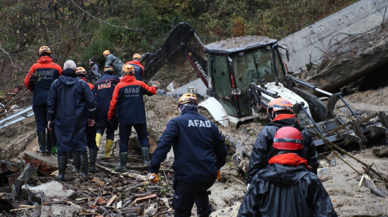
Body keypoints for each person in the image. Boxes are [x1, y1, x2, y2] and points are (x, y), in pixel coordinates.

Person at [148, 93, 228, 217]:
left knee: (182, 211)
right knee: (200, 191)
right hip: (208, 177)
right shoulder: (210, 125)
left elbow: (163, 145)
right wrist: (218, 166)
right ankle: (204, 212)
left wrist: (153, 169)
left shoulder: (176, 123)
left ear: (180, 108)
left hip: (187, 179)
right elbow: (222, 151)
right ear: (196, 107)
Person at [238, 126, 337, 216]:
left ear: (275, 148)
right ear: (301, 149)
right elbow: (326, 214)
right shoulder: (310, 180)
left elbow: (245, 214)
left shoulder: (260, 180)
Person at [246, 98, 319, 187]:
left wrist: (251, 180)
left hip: (271, 183)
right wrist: (312, 179)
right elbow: (312, 159)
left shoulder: (267, 131)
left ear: (272, 112)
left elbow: (257, 157)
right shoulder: (303, 132)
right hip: (300, 182)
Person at [47, 60, 96, 181]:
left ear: (63, 69)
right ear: (75, 70)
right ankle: (84, 174)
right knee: (81, 144)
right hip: (79, 119)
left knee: (62, 145)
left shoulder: (56, 84)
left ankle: (61, 174)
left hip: (60, 120)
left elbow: (51, 103)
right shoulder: (81, 84)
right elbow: (91, 101)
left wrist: (50, 119)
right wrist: (92, 117)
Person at [107, 65, 157, 171]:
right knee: (143, 138)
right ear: (133, 73)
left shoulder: (119, 86)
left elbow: (113, 103)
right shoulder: (140, 84)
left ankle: (123, 165)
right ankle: (146, 162)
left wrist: (110, 116)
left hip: (125, 117)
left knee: (124, 140)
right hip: (139, 116)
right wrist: (155, 87)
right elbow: (151, 91)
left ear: (123, 73)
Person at [24, 46, 62, 156]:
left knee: (40, 124)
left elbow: (27, 82)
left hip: (38, 99)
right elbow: (62, 81)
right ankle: (49, 150)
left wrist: (35, 90)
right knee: (51, 123)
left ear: (40, 55)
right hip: (53, 100)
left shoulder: (35, 67)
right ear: (50, 55)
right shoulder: (56, 67)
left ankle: (42, 149)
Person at [93, 66, 121, 157]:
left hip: (101, 111)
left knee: (99, 129)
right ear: (112, 72)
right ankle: (107, 154)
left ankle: (96, 145)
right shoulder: (115, 79)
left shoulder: (97, 83)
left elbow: (95, 98)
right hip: (113, 110)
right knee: (110, 132)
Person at [76, 67, 98, 172]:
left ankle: (78, 167)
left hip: (77, 118)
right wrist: (93, 117)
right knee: (91, 142)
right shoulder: (91, 86)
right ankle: (92, 167)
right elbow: (95, 102)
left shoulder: (73, 86)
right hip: (89, 118)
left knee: (78, 142)